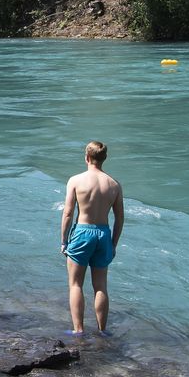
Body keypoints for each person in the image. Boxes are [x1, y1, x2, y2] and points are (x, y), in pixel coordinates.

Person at [60, 141, 125, 335]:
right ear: (104, 158)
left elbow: (68, 214)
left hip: (82, 232)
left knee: (75, 284)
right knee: (101, 286)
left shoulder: (76, 180)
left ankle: (78, 330)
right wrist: (113, 244)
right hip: (103, 234)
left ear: (87, 157)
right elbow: (120, 218)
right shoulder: (114, 184)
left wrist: (64, 240)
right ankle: (102, 331)